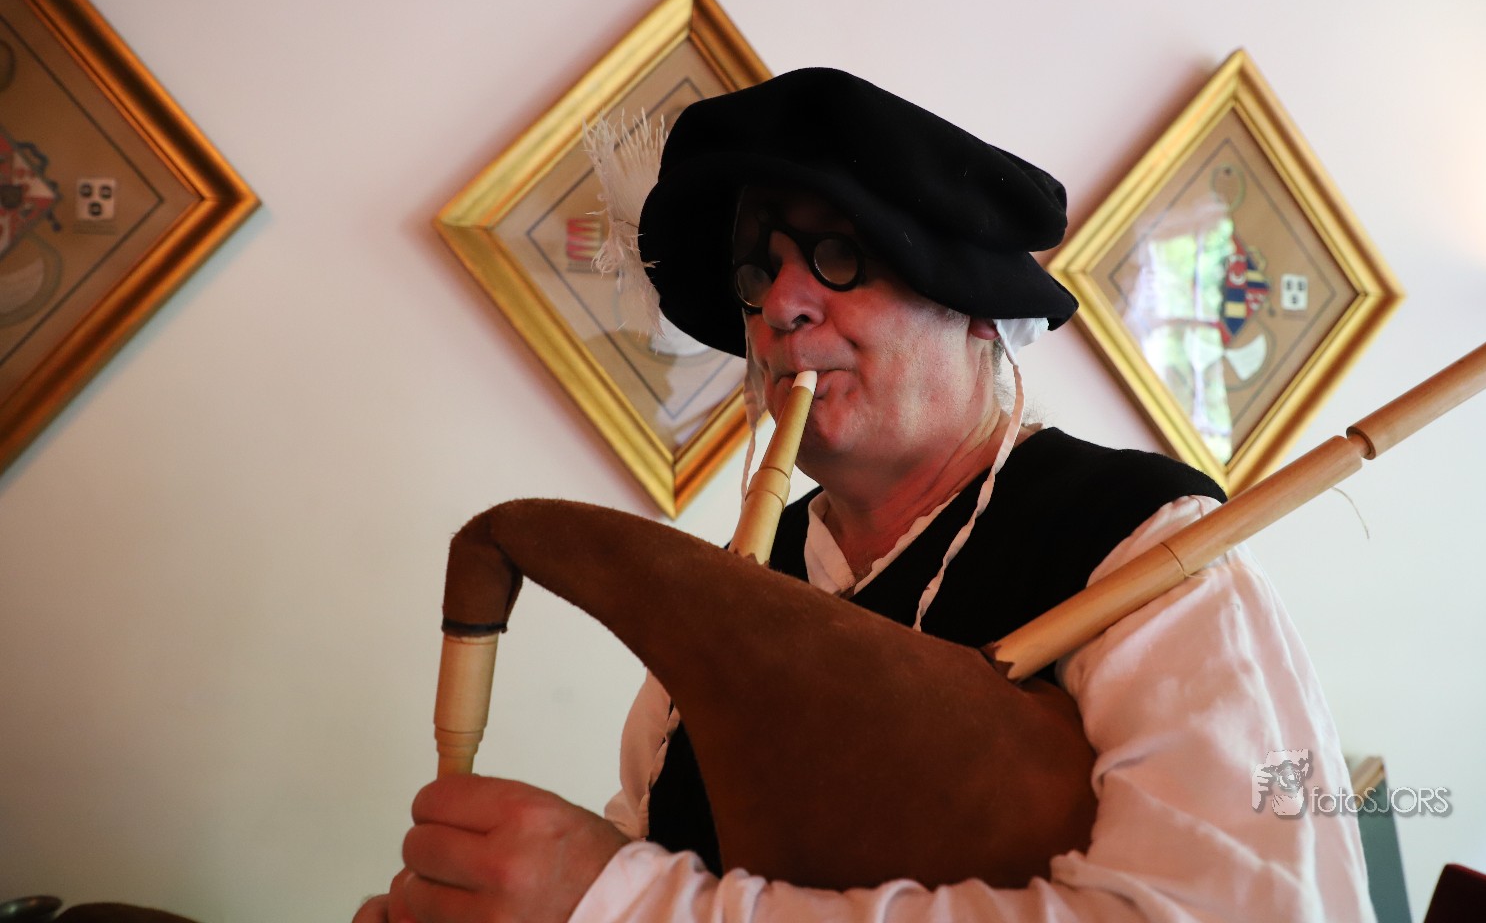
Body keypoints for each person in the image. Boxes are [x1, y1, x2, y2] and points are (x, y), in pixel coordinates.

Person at [356, 68, 1375, 923]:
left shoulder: (1146, 551)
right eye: (757, 271)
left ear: (976, 308)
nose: (780, 306)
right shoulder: (735, 586)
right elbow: (648, 843)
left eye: (839, 254)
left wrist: (626, 902)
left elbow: (1243, 906)